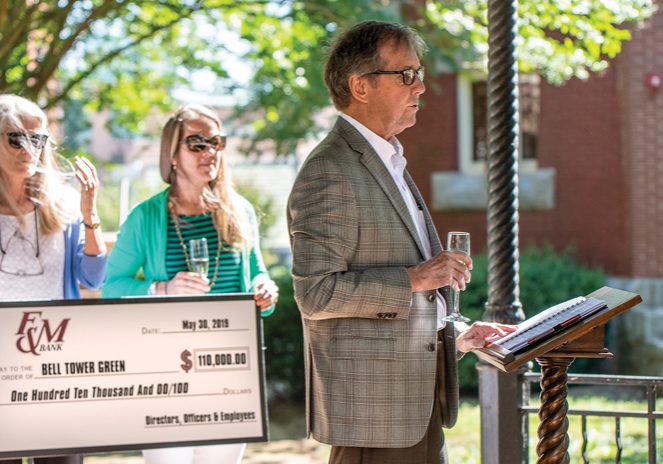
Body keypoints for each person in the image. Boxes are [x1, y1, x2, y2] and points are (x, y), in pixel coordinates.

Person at [286, 21, 516, 464]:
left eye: (420, 73)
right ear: (361, 86)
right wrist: (415, 277)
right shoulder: (330, 169)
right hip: (376, 416)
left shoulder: (387, 159)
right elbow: (315, 293)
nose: (422, 86)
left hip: (417, 403)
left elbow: (400, 305)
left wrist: (458, 335)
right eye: (407, 74)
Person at [102, 103, 278, 464]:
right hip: (167, 368)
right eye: (196, 143)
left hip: (231, 366)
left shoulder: (239, 210)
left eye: (216, 142)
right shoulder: (145, 216)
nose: (210, 151)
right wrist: (161, 289)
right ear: (172, 154)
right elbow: (111, 286)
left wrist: (265, 288)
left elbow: (258, 271)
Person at [0, 94, 107, 463]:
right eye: (16, 137)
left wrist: (89, 213)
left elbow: (91, 279)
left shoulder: (63, 207)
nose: (28, 148)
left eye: (37, 138)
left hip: (55, 375)